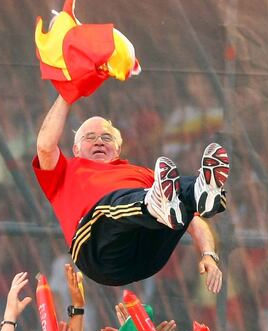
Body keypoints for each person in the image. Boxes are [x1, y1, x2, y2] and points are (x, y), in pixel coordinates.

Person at [34, 95, 229, 289]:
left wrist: (208, 254)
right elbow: (45, 146)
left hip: (148, 255)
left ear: (117, 149)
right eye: (90, 138)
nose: (99, 142)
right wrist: (65, 94)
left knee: (180, 187)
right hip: (100, 252)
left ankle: (205, 192)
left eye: (106, 137)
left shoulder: (147, 175)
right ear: (76, 149)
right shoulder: (65, 171)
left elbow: (194, 222)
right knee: (109, 205)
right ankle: (154, 207)